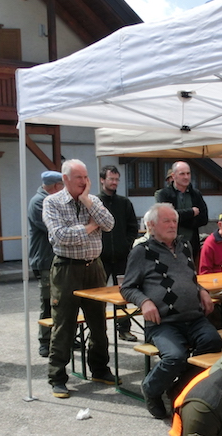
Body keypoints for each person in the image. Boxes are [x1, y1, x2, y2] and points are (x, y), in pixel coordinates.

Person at [121, 203, 222, 418]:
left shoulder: (184, 245)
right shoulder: (142, 251)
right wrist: (144, 302)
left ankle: (179, 387)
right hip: (163, 323)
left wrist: (202, 290)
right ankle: (151, 389)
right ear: (151, 225)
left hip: (194, 318)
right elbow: (127, 287)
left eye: (174, 221)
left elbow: (189, 278)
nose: (172, 225)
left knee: (213, 344)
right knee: (175, 357)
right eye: (166, 221)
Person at [43, 159, 119, 398]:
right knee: (64, 324)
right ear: (65, 179)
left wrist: (87, 201)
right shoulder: (52, 202)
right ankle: (57, 377)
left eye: (86, 177)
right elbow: (60, 237)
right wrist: (89, 227)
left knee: (98, 322)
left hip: (94, 267)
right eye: (79, 177)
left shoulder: (92, 200)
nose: (84, 181)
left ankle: (99, 369)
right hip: (66, 269)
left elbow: (109, 224)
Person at [97, 164, 139, 342]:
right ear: (102, 180)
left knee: (123, 294)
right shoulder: (94, 202)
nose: (114, 182)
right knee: (98, 296)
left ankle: (124, 328)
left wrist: (126, 244)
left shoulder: (124, 203)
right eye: (111, 179)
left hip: (122, 257)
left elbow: (133, 227)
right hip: (100, 258)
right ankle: (98, 331)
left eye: (117, 179)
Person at [28, 170, 63, 357]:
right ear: (56, 186)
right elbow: (56, 228)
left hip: (56, 259)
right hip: (44, 260)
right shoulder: (39, 202)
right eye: (62, 185)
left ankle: (63, 337)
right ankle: (45, 341)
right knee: (48, 302)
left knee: (62, 302)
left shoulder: (52, 201)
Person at [155, 161, 208, 263]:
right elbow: (165, 217)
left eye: (188, 173)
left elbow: (204, 219)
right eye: (182, 174)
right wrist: (191, 212)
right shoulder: (164, 194)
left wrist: (179, 218)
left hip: (192, 245)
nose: (186, 177)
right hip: (169, 245)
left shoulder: (196, 194)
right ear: (173, 176)